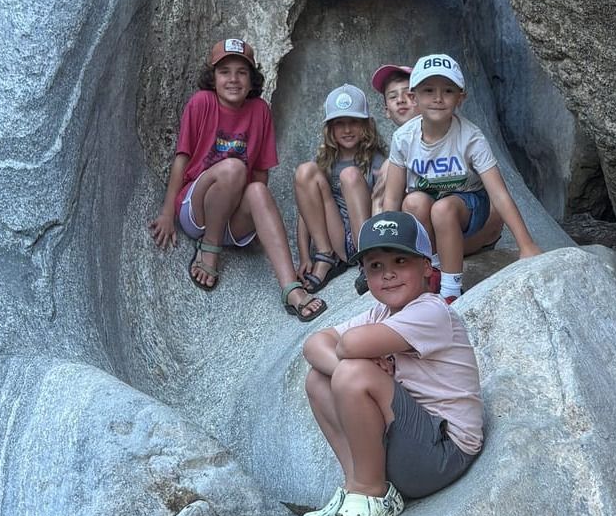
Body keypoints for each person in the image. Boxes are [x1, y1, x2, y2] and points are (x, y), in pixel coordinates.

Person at [300, 211, 483, 516]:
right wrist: (356, 366)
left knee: (353, 372)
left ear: (426, 266)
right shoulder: (381, 313)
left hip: (445, 451)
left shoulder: (431, 310)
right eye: (375, 266)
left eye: (400, 261)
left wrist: (360, 362)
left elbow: (350, 344)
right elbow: (314, 344)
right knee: (318, 380)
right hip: (412, 444)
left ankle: (373, 492)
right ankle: (356, 485)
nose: (388, 274)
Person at [148, 35, 326, 321]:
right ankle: (209, 249)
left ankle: (291, 288)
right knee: (234, 168)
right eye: (224, 72)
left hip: (232, 223)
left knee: (258, 190)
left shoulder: (259, 111)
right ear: (213, 77)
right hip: (198, 211)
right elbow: (182, 158)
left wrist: (255, 218)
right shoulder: (202, 103)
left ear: (252, 79)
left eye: (242, 72)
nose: (233, 79)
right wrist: (168, 212)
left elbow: (261, 172)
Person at [380, 53, 540, 303]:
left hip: (468, 207)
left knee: (443, 209)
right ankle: (433, 269)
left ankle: (451, 291)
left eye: (448, 90)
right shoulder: (403, 138)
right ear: (414, 97)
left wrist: (526, 244)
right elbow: (391, 198)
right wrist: (387, 246)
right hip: (427, 214)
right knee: (412, 202)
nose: (438, 98)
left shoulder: (470, 137)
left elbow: (499, 193)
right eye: (428, 90)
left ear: (460, 98)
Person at [293, 84, 386, 292]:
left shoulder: (377, 161)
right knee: (305, 171)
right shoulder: (326, 163)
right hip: (338, 241)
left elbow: (385, 206)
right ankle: (325, 256)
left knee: (350, 174)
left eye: (354, 122)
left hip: (365, 237)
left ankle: (369, 259)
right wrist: (304, 256)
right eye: (339, 124)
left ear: (366, 125)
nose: (347, 130)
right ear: (330, 129)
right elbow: (306, 211)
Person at [369, 63, 416, 213]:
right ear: (387, 111)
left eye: (408, 93)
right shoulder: (399, 141)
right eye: (393, 96)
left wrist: (390, 163)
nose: (400, 100)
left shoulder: (437, 129)